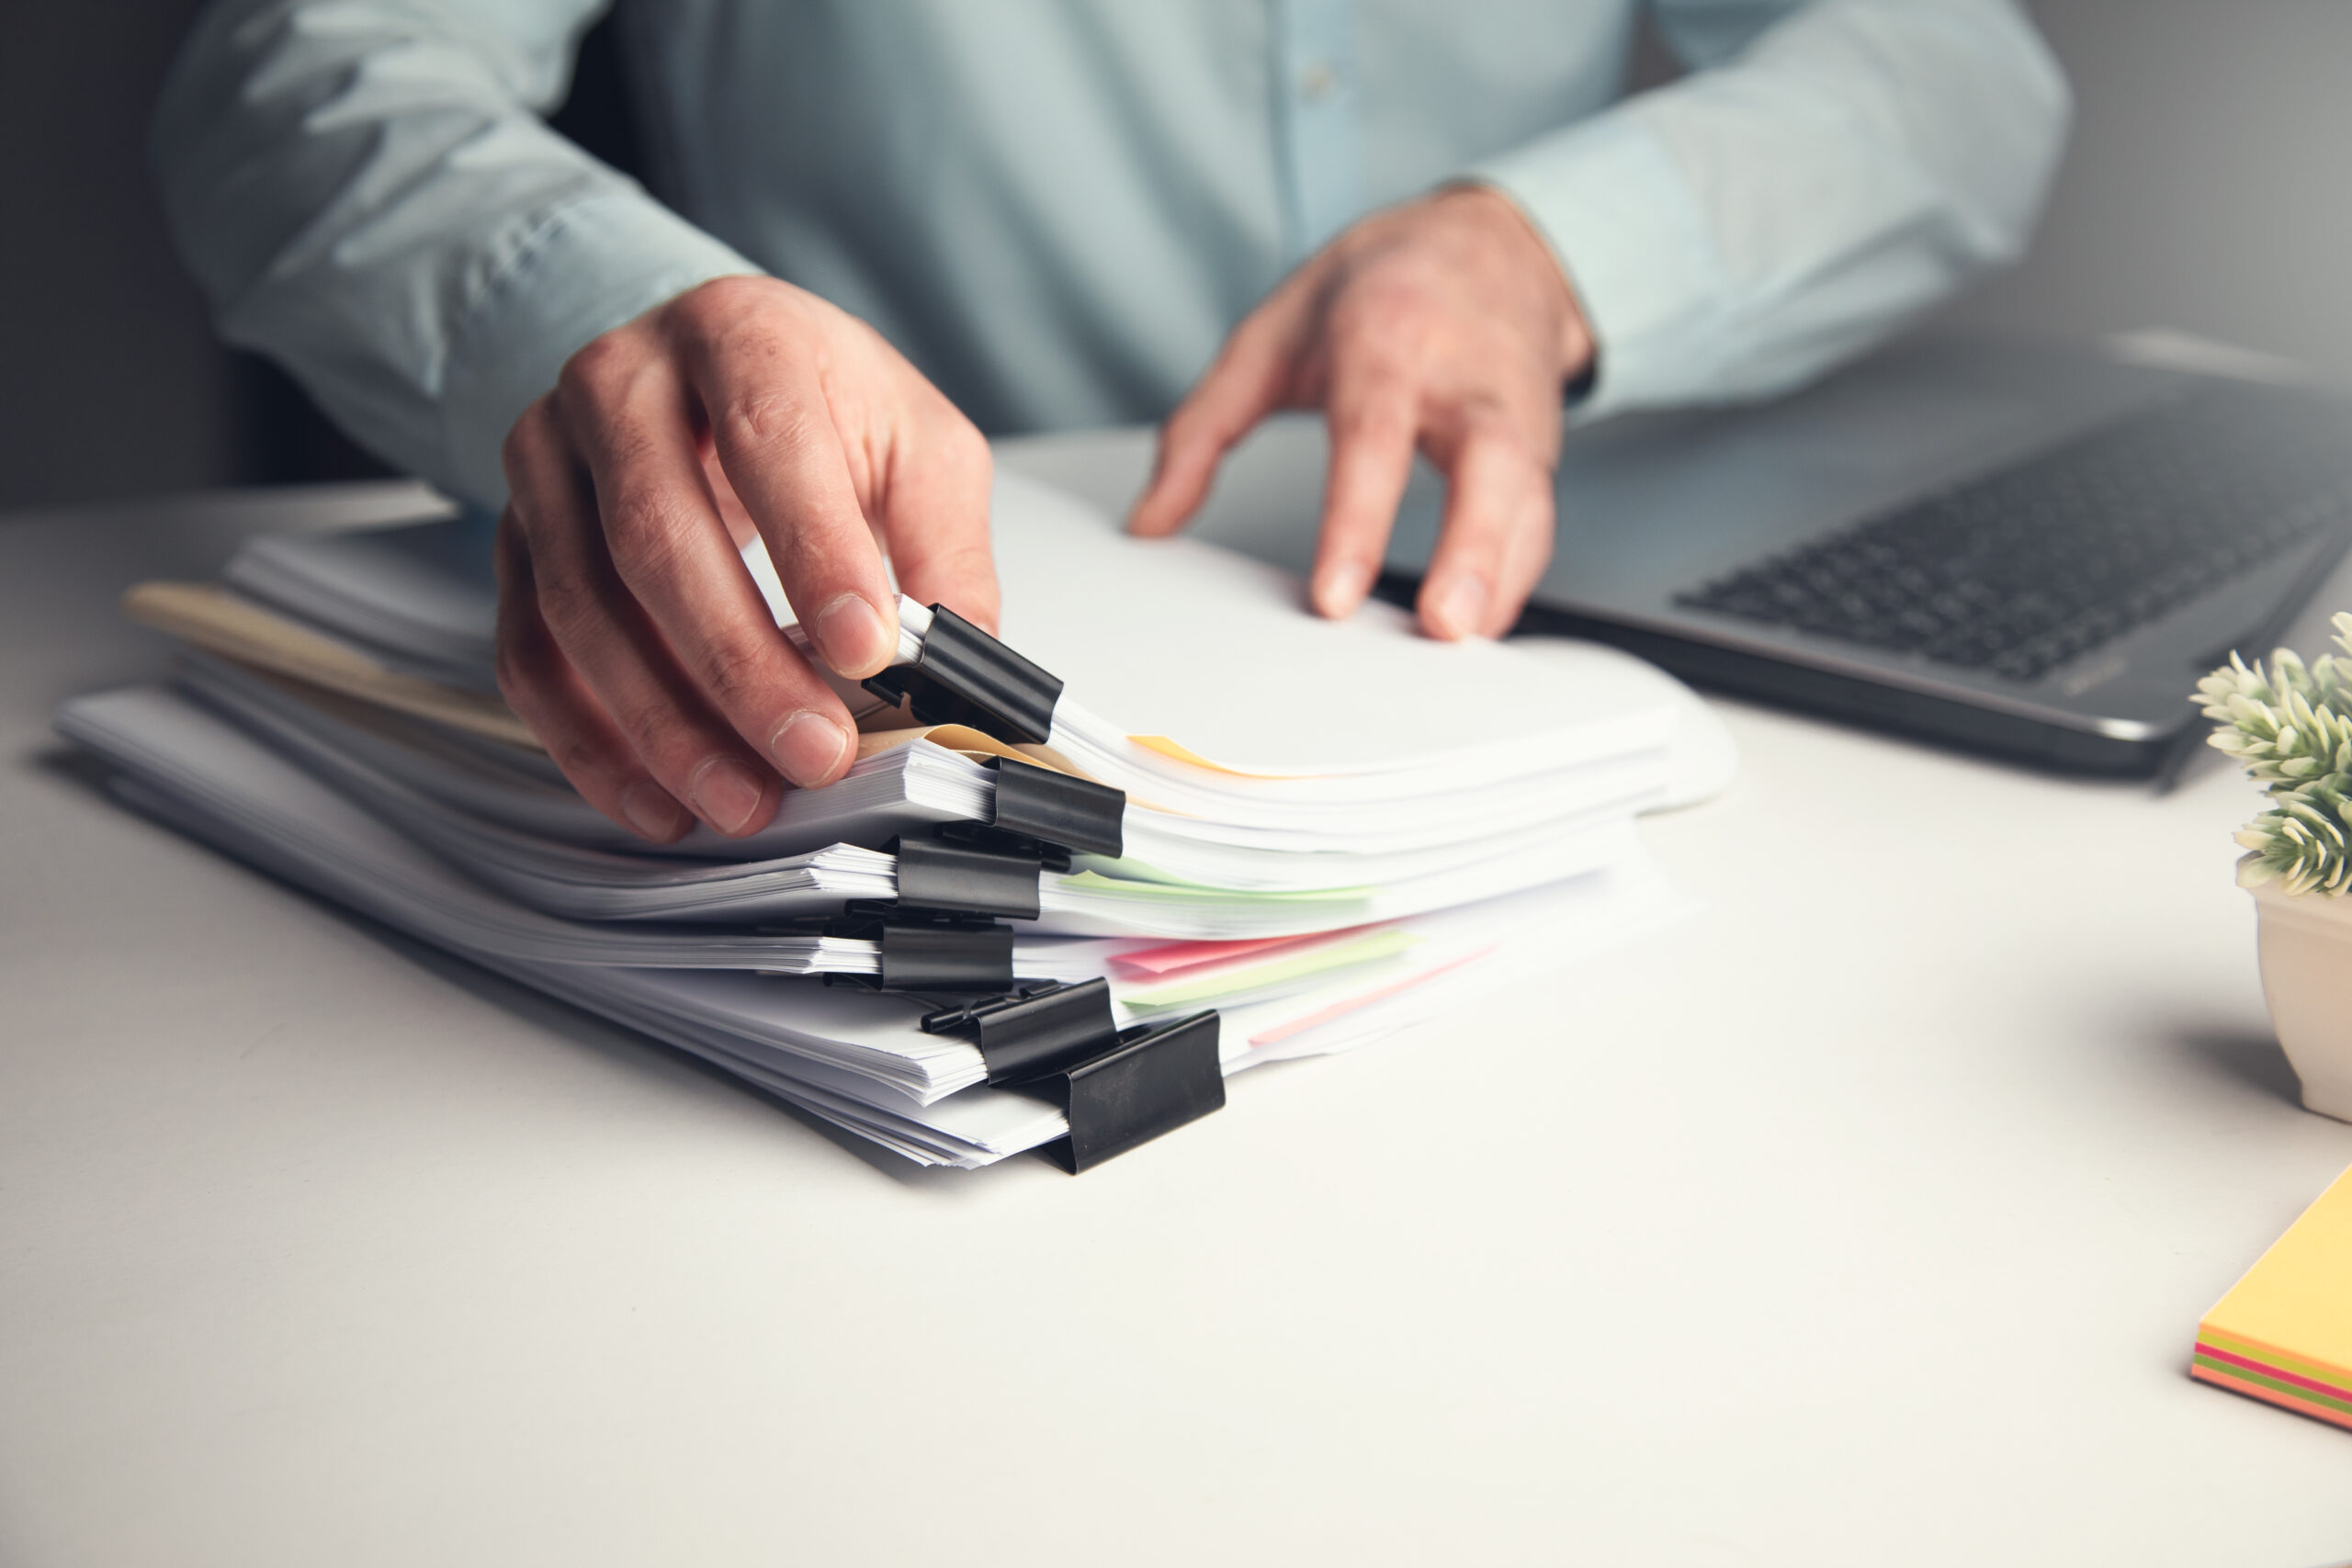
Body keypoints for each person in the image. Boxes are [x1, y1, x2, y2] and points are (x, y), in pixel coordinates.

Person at [153, 1, 2068, 843]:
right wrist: (593, 311)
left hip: (1536, 647)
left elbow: (1960, 70)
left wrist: (1548, 250)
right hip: (878, 671)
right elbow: (292, 73)